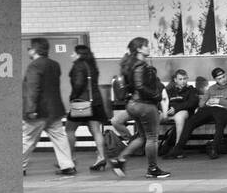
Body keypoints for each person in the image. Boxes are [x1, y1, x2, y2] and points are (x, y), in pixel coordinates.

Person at [111, 37, 170, 179]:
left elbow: (131, 87)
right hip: (145, 105)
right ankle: (152, 169)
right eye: (146, 46)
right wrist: (156, 96)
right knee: (152, 138)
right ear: (138, 49)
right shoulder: (140, 65)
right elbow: (140, 86)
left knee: (143, 137)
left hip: (133, 104)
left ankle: (120, 159)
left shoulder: (130, 65)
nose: (149, 48)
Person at [22, 37, 75, 176]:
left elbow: (32, 89)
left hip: (39, 111)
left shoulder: (34, 66)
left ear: (34, 50)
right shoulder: (55, 64)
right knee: (60, 139)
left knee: (27, 139)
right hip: (55, 110)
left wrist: (30, 110)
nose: (28, 51)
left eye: (29, 49)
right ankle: (67, 166)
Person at [171, 66, 227, 160]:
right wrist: (207, 102)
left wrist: (219, 101)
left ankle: (214, 148)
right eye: (219, 78)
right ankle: (178, 148)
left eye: (223, 76)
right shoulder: (212, 88)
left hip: (225, 110)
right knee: (190, 122)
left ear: (226, 75)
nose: (222, 79)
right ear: (215, 79)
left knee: (220, 123)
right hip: (209, 109)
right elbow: (201, 103)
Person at [65, 43, 109, 172]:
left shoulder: (78, 65)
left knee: (69, 129)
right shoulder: (92, 65)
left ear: (79, 54)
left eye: (73, 53)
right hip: (95, 102)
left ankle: (70, 159)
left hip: (81, 103)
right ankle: (101, 157)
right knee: (95, 130)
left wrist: (72, 98)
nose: (71, 55)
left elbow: (78, 84)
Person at [160, 69, 199, 156]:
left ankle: (178, 147)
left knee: (179, 117)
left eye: (185, 79)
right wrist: (166, 110)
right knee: (152, 117)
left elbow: (192, 103)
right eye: (180, 79)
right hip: (169, 112)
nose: (183, 81)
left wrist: (176, 108)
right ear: (175, 80)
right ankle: (147, 145)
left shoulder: (191, 90)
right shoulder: (169, 90)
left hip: (184, 112)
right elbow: (163, 101)